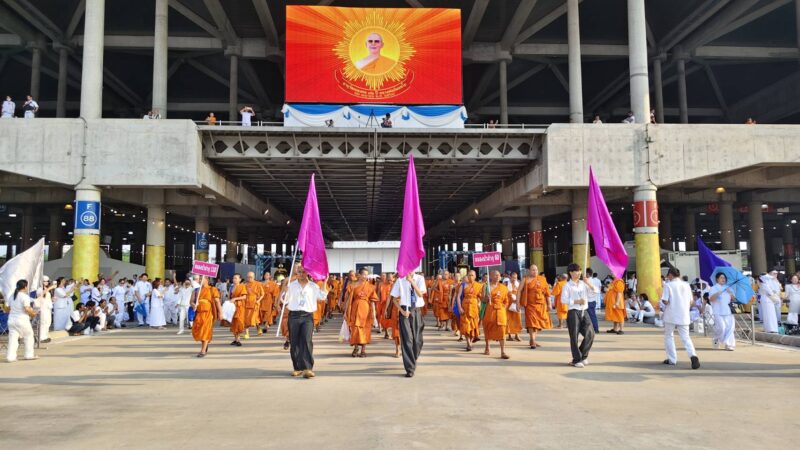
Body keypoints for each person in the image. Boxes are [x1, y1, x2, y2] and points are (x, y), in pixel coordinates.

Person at [282, 263, 328, 378]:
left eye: (303, 272)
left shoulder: (313, 286)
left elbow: (322, 297)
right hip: (293, 316)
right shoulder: (291, 285)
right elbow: (284, 300)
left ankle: (307, 368)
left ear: (308, 273)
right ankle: (297, 368)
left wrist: (325, 282)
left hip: (307, 316)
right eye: (299, 272)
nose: (301, 274)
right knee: (295, 342)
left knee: (307, 341)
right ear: (296, 273)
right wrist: (284, 289)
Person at [661, 268, 701, 369]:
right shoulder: (686, 285)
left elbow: (665, 301)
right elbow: (691, 301)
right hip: (684, 315)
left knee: (669, 336)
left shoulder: (668, 285)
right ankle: (693, 356)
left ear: (670, 275)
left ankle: (672, 359)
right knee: (686, 337)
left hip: (671, 314)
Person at [390, 270, 427, 378]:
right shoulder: (400, 280)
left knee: (418, 340)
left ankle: (412, 358)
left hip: (416, 310)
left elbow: (420, 294)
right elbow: (394, 299)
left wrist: (411, 281)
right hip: (405, 311)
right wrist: (402, 311)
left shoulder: (420, 279)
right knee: (407, 340)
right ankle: (410, 368)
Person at [562, 263, 594, 368]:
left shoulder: (583, 283)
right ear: (571, 273)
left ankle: (583, 356)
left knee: (590, 333)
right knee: (574, 336)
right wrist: (576, 301)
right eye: (577, 271)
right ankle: (577, 359)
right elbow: (563, 300)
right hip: (573, 312)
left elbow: (594, 292)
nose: (579, 273)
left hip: (584, 311)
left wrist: (588, 284)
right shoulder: (567, 285)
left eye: (580, 270)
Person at [344, 268, 379, 358]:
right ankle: (356, 348)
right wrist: (345, 312)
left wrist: (374, 315)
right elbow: (348, 300)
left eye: (367, 275)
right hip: (354, 309)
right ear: (358, 275)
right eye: (364, 274)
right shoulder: (352, 286)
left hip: (366, 310)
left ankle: (363, 350)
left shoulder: (370, 286)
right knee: (355, 329)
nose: (365, 276)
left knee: (365, 329)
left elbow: (372, 301)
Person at [519, 265, 551, 349]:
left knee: (537, 324)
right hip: (530, 305)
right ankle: (532, 340)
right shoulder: (525, 279)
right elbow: (519, 291)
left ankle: (532, 339)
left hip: (541, 305)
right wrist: (517, 303)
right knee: (531, 323)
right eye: (533, 270)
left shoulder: (542, 279)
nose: (535, 271)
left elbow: (547, 293)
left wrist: (549, 304)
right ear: (529, 271)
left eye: (536, 270)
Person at [6, 280, 37, 362]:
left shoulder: (12, 296)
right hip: (22, 319)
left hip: (11, 319)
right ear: (25, 287)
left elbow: (8, 309)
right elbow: (27, 308)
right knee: (29, 336)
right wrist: (33, 314)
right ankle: (29, 355)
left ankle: (10, 357)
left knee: (13, 339)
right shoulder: (24, 296)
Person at [191, 276, 222, 357]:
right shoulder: (196, 290)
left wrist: (220, 313)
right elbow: (191, 301)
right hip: (198, 314)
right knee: (199, 331)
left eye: (202, 279)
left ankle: (203, 350)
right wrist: (193, 305)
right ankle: (205, 343)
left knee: (205, 331)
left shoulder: (212, 289)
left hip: (208, 313)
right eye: (199, 279)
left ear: (207, 280)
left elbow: (217, 302)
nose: (200, 280)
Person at [483, 270, 511, 359]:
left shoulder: (504, 288)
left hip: (500, 311)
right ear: (491, 276)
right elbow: (482, 299)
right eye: (495, 275)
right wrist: (486, 298)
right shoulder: (486, 287)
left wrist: (503, 308)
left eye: (499, 275)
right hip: (489, 310)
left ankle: (503, 351)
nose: (497, 277)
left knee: (502, 330)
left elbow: (507, 301)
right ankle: (487, 346)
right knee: (488, 328)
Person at [708, 272, 736, 350]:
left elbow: (734, 299)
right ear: (717, 279)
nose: (723, 279)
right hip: (718, 311)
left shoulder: (728, 288)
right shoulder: (713, 288)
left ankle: (729, 344)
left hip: (728, 311)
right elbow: (711, 299)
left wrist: (730, 292)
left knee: (730, 328)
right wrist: (718, 293)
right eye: (721, 277)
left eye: (724, 278)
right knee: (722, 328)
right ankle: (716, 339)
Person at [458, 270, 483, 351]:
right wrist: (459, 307)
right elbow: (458, 297)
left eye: (472, 275)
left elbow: (481, 298)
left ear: (475, 276)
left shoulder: (479, 286)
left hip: (474, 307)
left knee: (473, 326)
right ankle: (468, 343)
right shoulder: (463, 285)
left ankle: (471, 341)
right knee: (466, 326)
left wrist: (483, 301)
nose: (470, 277)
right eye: (469, 275)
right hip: (465, 307)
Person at [243, 271, 265, 337]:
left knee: (255, 318)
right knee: (246, 318)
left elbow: (262, 294)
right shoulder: (245, 285)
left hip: (255, 303)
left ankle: (258, 329)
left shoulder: (258, 284)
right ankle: (247, 333)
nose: (249, 278)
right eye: (248, 277)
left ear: (254, 277)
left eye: (251, 277)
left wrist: (258, 300)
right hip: (247, 303)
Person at [228, 274, 247, 346]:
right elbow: (229, 296)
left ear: (240, 279)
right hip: (232, 307)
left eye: (236, 278)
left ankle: (238, 339)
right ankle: (235, 339)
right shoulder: (231, 287)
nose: (234, 279)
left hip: (239, 307)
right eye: (233, 278)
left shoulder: (242, 286)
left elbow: (244, 297)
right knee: (233, 323)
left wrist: (235, 299)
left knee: (239, 323)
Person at [505, 272, 522, 342]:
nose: (514, 279)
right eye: (513, 277)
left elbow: (521, 293)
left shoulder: (519, 284)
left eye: (516, 277)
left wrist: (517, 299)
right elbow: (505, 293)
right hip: (509, 304)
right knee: (508, 320)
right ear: (510, 277)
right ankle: (509, 335)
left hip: (516, 303)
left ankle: (517, 335)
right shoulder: (506, 284)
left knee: (517, 319)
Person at [37, 276, 55, 342]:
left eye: (47, 281)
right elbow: (40, 294)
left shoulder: (47, 289)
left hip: (48, 307)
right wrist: (50, 288)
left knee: (48, 322)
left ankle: (45, 336)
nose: (46, 282)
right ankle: (41, 337)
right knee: (43, 322)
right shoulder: (39, 289)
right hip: (43, 308)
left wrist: (52, 299)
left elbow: (47, 298)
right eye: (45, 281)